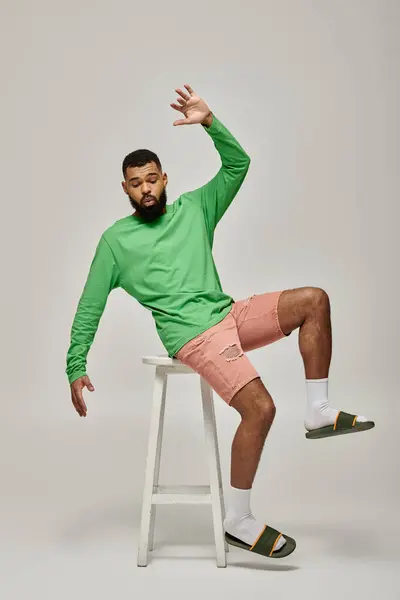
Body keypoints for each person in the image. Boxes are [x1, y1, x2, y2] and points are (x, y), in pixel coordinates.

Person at [66, 84, 375, 559]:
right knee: (262, 408)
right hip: (192, 335)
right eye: (136, 183)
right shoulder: (115, 242)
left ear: (165, 178)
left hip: (227, 313)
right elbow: (90, 305)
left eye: (152, 178)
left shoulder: (195, 208)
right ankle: (239, 519)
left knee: (315, 299)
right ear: (125, 188)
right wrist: (76, 364)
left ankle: (318, 410)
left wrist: (211, 122)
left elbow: (238, 165)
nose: (146, 188)